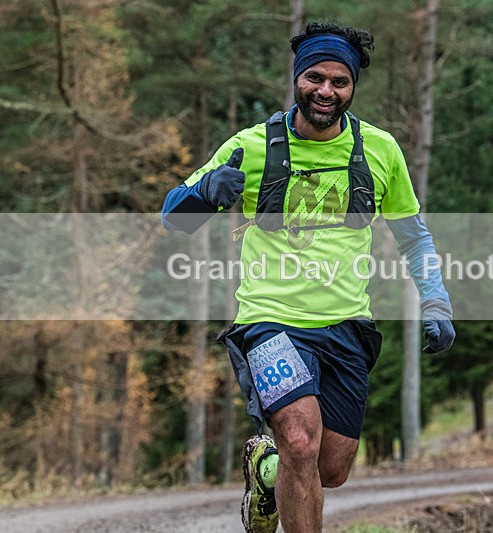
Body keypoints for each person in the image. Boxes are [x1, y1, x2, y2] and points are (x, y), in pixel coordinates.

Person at [161, 21, 455, 533]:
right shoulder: (251, 147)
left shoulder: (381, 151)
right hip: (270, 322)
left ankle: (265, 471)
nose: (325, 90)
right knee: (300, 440)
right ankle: (281, 465)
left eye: (339, 82)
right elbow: (173, 220)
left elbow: (414, 237)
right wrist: (205, 192)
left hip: (345, 327)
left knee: (329, 468)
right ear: (297, 80)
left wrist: (436, 300)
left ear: (352, 88)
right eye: (314, 78)